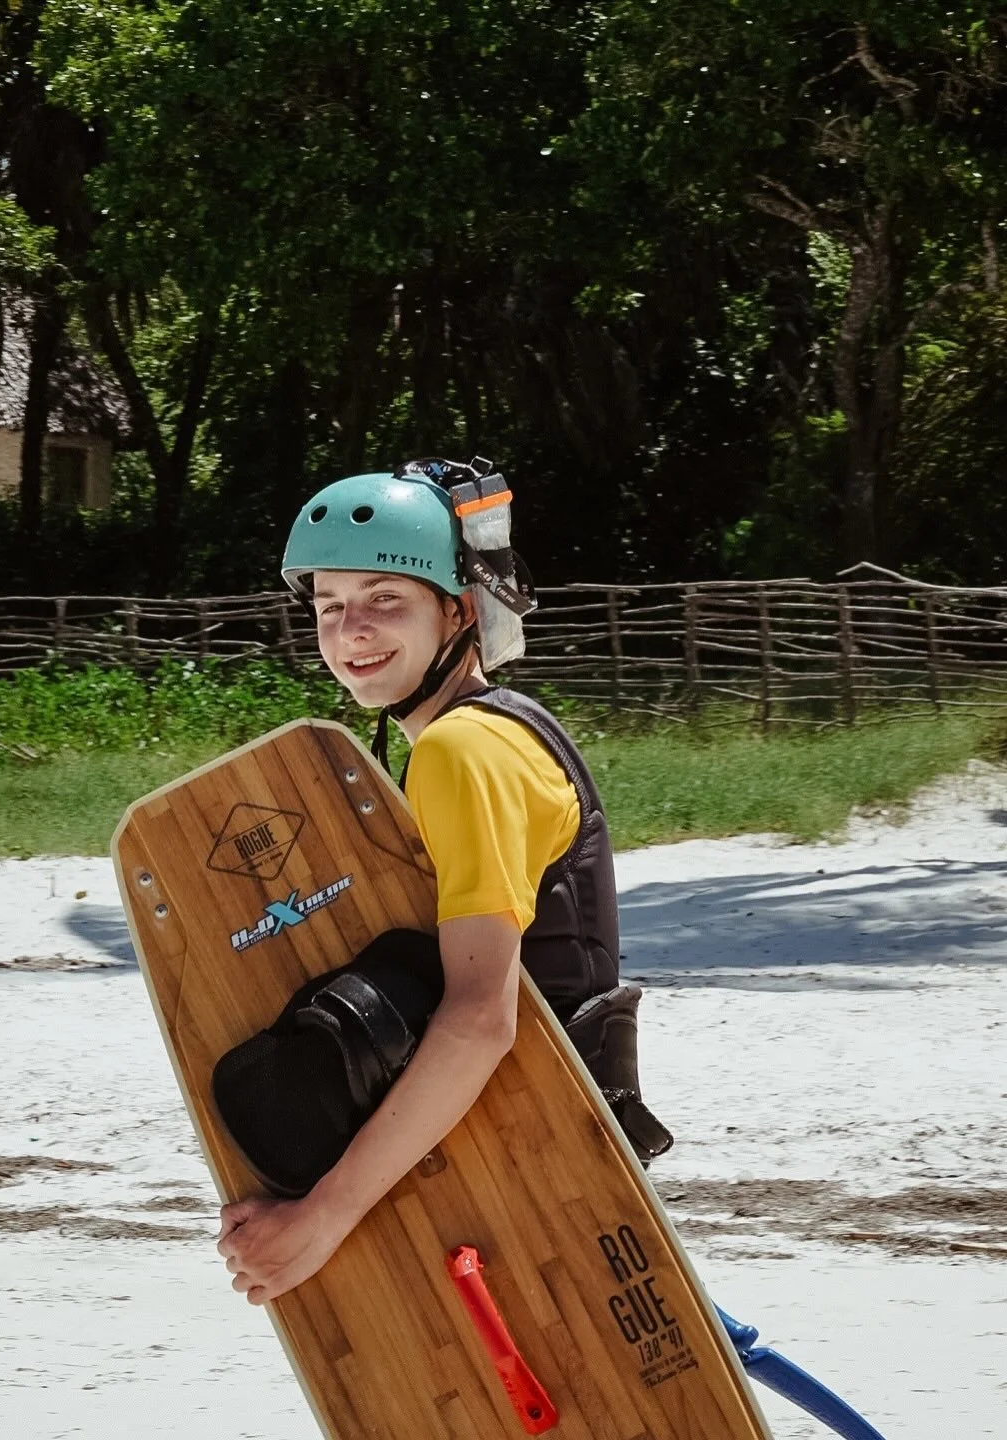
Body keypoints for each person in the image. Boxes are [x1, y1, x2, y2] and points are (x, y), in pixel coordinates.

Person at [216, 460, 669, 1306]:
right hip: (553, 1146)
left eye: (385, 598)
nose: (351, 632)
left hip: (522, 1165)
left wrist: (321, 1217)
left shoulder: (462, 752)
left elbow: (478, 1020)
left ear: (457, 610)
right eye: (328, 607)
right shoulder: (503, 728)